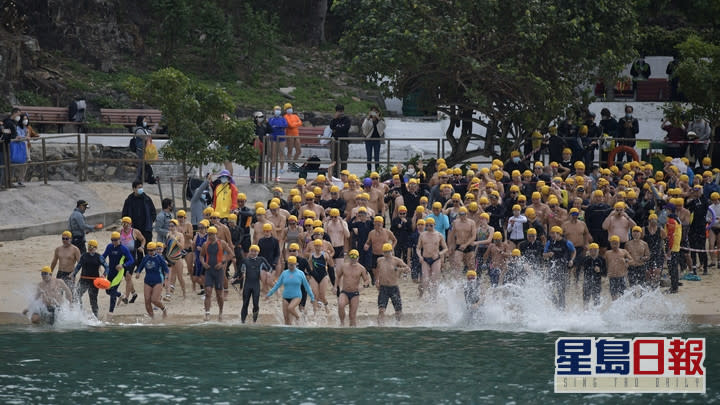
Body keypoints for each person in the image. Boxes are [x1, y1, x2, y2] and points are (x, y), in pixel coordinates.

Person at [266, 255, 316, 325]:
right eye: (289, 265)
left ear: (296, 264)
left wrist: (312, 297)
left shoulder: (300, 274)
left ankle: (298, 317)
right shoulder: (284, 273)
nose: (290, 266)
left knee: (290, 308)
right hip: (285, 297)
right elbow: (277, 285)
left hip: (297, 296)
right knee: (286, 320)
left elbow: (307, 286)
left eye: (292, 265)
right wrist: (269, 294)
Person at [199, 226, 234, 321]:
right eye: (209, 234)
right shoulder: (205, 244)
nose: (211, 236)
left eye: (212, 234)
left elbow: (231, 254)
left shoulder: (222, 243)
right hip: (209, 271)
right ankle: (207, 314)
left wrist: (222, 263)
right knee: (208, 292)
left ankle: (220, 312)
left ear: (216, 234)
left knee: (219, 294)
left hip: (219, 271)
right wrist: (203, 263)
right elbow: (201, 256)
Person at [233, 244, 272, 323]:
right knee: (245, 304)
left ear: (258, 252)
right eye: (252, 251)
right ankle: (242, 321)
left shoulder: (261, 260)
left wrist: (268, 273)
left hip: (256, 285)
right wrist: (234, 278)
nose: (253, 253)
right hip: (247, 285)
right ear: (250, 251)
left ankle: (254, 321)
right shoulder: (245, 260)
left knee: (256, 304)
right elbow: (239, 271)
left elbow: (269, 268)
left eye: (255, 251)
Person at [375, 243, 410, 325]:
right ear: (383, 252)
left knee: (398, 311)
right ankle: (381, 326)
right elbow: (378, 270)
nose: (387, 254)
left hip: (394, 288)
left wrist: (397, 269)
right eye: (385, 252)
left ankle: (398, 324)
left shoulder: (396, 260)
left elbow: (408, 269)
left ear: (392, 251)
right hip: (383, 288)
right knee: (381, 309)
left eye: (388, 252)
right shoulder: (380, 260)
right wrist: (377, 280)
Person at [101, 231, 135, 316]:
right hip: (110, 271)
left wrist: (123, 265)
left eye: (115, 240)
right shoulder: (109, 247)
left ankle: (111, 312)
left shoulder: (124, 249)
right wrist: (99, 262)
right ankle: (120, 295)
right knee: (108, 291)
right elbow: (103, 256)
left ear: (119, 240)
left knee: (112, 291)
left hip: (119, 273)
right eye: (112, 240)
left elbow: (131, 260)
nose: (114, 242)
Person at [72, 240, 108, 317]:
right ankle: (80, 312)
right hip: (83, 279)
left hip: (94, 281)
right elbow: (78, 266)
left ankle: (96, 317)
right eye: (89, 246)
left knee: (93, 300)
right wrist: (73, 274)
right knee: (77, 295)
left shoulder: (99, 257)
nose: (90, 248)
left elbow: (107, 267)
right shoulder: (84, 256)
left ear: (96, 248)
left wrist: (104, 275)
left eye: (92, 247)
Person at [134, 241, 170, 319]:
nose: (150, 252)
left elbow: (166, 270)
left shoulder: (159, 258)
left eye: (152, 250)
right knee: (147, 300)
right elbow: (140, 267)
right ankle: (152, 318)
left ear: (155, 250)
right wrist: (138, 273)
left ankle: (164, 309)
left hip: (158, 281)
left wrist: (166, 279)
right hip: (147, 281)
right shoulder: (146, 258)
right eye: (149, 250)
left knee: (154, 300)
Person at [543, 226, 576, 309]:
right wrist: (548, 254)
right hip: (552, 267)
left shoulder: (567, 243)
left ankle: (562, 308)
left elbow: (574, 251)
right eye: (552, 233)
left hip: (562, 268)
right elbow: (544, 255)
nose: (553, 235)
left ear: (559, 234)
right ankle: (556, 304)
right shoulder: (549, 243)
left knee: (560, 290)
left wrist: (571, 260)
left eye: (555, 233)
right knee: (547, 288)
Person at [335, 249, 370, 327]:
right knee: (340, 305)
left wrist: (363, 286)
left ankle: (352, 334)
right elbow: (338, 276)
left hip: (355, 294)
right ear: (349, 257)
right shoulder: (344, 266)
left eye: (355, 257)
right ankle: (342, 323)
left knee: (352, 317)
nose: (353, 259)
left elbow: (367, 280)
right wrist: (335, 287)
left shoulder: (361, 268)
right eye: (352, 257)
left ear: (358, 258)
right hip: (344, 292)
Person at [416, 217, 448, 293]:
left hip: (436, 259)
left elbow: (446, 248)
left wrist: (439, 253)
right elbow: (418, 248)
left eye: (431, 225)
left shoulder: (439, 235)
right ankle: (423, 291)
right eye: (427, 225)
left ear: (434, 225)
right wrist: (420, 256)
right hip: (425, 259)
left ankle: (434, 298)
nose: (428, 227)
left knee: (434, 281)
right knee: (426, 280)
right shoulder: (422, 235)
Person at [118, 216, 145, 304]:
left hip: (132, 256)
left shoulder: (135, 232)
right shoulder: (119, 232)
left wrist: (142, 246)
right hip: (122, 257)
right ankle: (134, 294)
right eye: (123, 223)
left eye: (126, 224)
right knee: (127, 278)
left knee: (128, 276)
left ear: (130, 224)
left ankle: (126, 297)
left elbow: (143, 239)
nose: (125, 225)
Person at [363, 216, 397, 284]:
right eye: (376, 224)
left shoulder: (387, 232)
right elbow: (368, 242)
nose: (377, 226)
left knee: (384, 269)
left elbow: (395, 240)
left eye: (379, 224)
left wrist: (392, 248)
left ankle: (384, 280)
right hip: (374, 253)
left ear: (382, 224)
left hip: (384, 254)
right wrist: (366, 245)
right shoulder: (371, 233)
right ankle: (377, 280)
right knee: (374, 269)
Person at [121, 181, 157, 245]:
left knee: (147, 248)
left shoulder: (147, 199)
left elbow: (153, 212)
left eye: (141, 187)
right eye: (139, 187)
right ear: (134, 189)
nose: (141, 189)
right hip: (133, 230)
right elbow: (124, 215)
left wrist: (150, 221)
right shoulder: (129, 200)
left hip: (146, 229)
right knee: (134, 249)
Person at [604, 235, 633, 300]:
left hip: (621, 276)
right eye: (613, 243)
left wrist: (626, 261)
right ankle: (615, 308)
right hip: (612, 277)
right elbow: (605, 264)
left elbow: (631, 260)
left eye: (616, 243)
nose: (614, 245)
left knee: (622, 295)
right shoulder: (607, 253)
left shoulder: (624, 251)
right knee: (613, 295)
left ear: (619, 243)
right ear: (610, 244)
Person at [580, 243, 606, 307]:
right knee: (586, 300)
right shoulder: (585, 259)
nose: (593, 252)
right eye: (591, 250)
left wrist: (600, 270)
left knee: (596, 300)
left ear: (598, 251)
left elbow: (605, 273)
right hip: (587, 283)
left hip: (597, 283)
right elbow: (580, 270)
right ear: (589, 251)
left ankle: (596, 314)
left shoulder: (601, 260)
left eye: (595, 250)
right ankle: (585, 313)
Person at [132, 115, 156, 183]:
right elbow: (145, 137)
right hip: (141, 150)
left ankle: (147, 178)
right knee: (141, 164)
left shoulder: (144, 129)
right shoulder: (139, 130)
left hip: (145, 149)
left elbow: (150, 133)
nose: (146, 122)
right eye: (144, 121)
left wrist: (152, 130)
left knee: (146, 164)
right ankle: (139, 179)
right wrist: (150, 133)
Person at [361, 106, 386, 171]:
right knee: (369, 157)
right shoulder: (368, 120)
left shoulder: (380, 120)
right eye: (373, 111)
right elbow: (364, 128)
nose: (374, 113)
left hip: (377, 140)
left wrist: (378, 118)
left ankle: (377, 172)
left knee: (376, 157)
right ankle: (369, 171)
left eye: (376, 111)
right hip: (369, 140)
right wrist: (368, 118)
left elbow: (383, 127)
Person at [330, 104, 351, 176]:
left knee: (344, 159)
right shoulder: (334, 120)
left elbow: (345, 129)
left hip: (343, 141)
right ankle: (334, 174)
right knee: (334, 158)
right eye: (338, 111)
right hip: (335, 141)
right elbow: (331, 127)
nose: (340, 113)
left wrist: (337, 129)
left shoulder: (347, 120)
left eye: (341, 111)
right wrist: (335, 119)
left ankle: (344, 174)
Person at [267, 105, 288, 178]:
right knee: (273, 153)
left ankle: (281, 168)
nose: (277, 111)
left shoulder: (283, 119)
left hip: (281, 137)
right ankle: (273, 166)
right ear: (274, 111)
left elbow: (285, 125)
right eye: (276, 109)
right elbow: (269, 126)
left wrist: (277, 126)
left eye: (279, 109)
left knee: (281, 152)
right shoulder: (271, 119)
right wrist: (278, 126)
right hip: (273, 137)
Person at [252, 111, 271, 183]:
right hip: (255, 147)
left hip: (262, 146)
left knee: (261, 163)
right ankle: (252, 178)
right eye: (260, 117)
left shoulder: (263, 126)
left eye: (262, 117)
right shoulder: (253, 126)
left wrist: (267, 122)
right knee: (253, 163)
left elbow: (270, 130)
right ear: (256, 118)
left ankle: (260, 178)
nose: (261, 118)